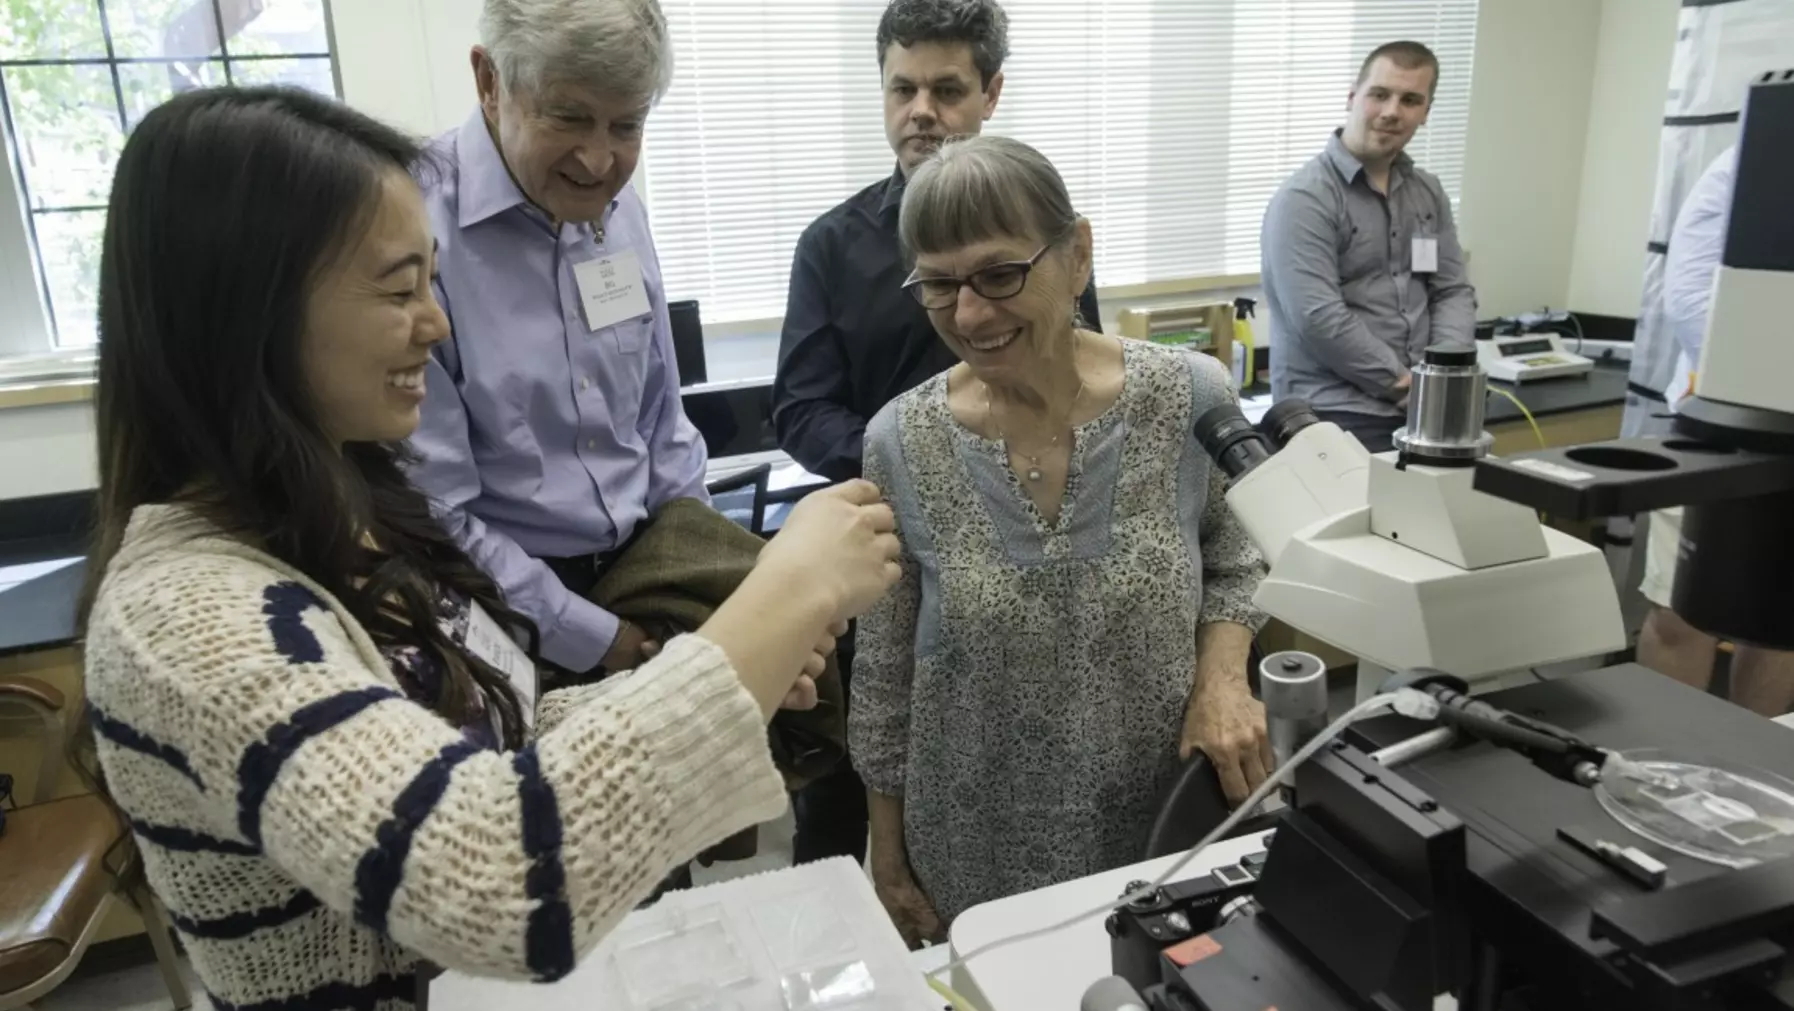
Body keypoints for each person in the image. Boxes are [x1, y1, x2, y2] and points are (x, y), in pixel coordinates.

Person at [77, 86, 901, 1011]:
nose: (435, 323)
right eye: (398, 289)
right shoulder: (186, 616)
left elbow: (484, 739)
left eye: (432, 280)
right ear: (247, 310)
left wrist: (701, 676)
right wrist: (773, 601)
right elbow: (499, 879)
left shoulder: (344, 519)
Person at [850, 135, 1271, 946]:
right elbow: (883, 674)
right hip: (974, 855)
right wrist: (889, 857)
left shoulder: (1187, 396)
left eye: (1000, 274)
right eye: (939, 286)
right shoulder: (899, 441)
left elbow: (1240, 556)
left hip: (1161, 828)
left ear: (1076, 254)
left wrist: (1224, 677)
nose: (970, 315)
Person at [773, 0, 1105, 867]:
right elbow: (801, 410)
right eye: (903, 88)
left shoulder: (1042, 235)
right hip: (883, 548)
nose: (922, 110)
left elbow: (1081, 373)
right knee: (855, 804)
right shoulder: (831, 246)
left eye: (947, 89)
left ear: (991, 93)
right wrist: (924, 471)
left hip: (1034, 559)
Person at [1637, 145, 1794, 716]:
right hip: (1720, 427)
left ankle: (1757, 772)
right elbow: (1692, 303)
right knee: (1681, 615)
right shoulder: (1747, 164)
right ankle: (1663, 764)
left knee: (1780, 627)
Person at [1261, 40, 1476, 453]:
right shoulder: (1305, 199)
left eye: (1411, 100)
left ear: (1426, 113)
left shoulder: (1427, 192)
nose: (1392, 111)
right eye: (1380, 94)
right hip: (1333, 415)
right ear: (1352, 97)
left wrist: (1442, 377)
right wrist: (1403, 385)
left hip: (1423, 408)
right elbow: (1318, 316)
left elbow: (1450, 290)